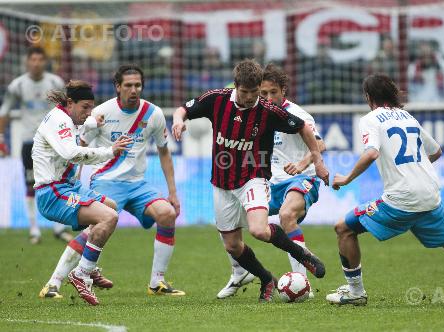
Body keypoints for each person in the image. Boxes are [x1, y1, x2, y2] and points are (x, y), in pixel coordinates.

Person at [326, 73, 444, 306]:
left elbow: (371, 153)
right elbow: (437, 151)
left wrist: (347, 178)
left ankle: (355, 292)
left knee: (344, 228)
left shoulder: (370, 119)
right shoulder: (408, 117)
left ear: (368, 97)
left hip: (401, 200)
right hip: (430, 196)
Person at [172, 59, 329, 302]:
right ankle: (266, 278)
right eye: (245, 92)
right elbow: (183, 108)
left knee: (258, 229)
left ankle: (303, 255)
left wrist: (316, 161)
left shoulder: (268, 110)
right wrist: (178, 120)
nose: (250, 98)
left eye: (255, 93)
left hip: (252, 178)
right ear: (235, 86)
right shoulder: (217, 99)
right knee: (232, 246)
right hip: (222, 184)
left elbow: (304, 129)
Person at [38, 64, 185, 299]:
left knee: (167, 214)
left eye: (138, 85)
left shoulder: (153, 114)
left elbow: (164, 152)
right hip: (105, 180)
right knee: (99, 223)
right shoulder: (99, 114)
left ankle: (157, 282)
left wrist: (173, 192)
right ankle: (54, 282)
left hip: (137, 184)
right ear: (118, 87)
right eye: (128, 85)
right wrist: (74, 187)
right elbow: (80, 148)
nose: (134, 90)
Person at [216, 63, 326, 299]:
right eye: (262, 93)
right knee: (228, 222)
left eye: (272, 92)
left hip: (299, 179)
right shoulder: (254, 113)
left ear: (283, 90)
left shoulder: (298, 114)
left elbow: (320, 143)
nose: (266, 97)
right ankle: (239, 273)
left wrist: (304, 163)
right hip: (267, 183)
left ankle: (302, 281)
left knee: (287, 215)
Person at [32, 80, 132, 305]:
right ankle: (81, 273)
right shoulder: (59, 121)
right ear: (70, 103)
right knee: (109, 217)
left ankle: (82, 268)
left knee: (111, 208)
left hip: (68, 185)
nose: (88, 113)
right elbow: (70, 153)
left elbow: (80, 126)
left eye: (91, 108)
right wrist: (109, 151)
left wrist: (93, 123)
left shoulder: (67, 116)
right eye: (85, 108)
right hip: (52, 192)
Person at [0, 46, 73, 244]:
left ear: (45, 62)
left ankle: (59, 228)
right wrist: (0, 138)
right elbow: (4, 110)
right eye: (33, 59)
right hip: (29, 142)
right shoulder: (18, 85)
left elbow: (67, 109)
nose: (36, 63)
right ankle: (34, 230)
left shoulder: (54, 82)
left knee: (59, 182)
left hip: (54, 142)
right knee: (31, 184)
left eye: (40, 59)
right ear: (27, 62)